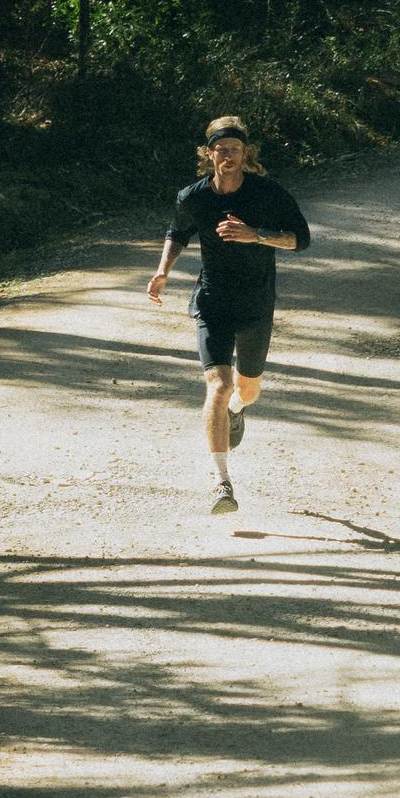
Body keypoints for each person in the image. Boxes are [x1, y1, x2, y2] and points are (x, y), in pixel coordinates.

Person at [143, 114, 310, 514]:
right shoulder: (193, 197)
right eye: (221, 149)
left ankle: (238, 411)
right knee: (216, 386)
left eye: (235, 149)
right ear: (209, 154)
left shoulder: (268, 194)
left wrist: (258, 235)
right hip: (212, 302)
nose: (228, 156)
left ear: (245, 153)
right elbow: (177, 231)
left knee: (246, 390)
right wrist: (163, 271)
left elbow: (301, 239)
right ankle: (221, 482)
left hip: (255, 304)